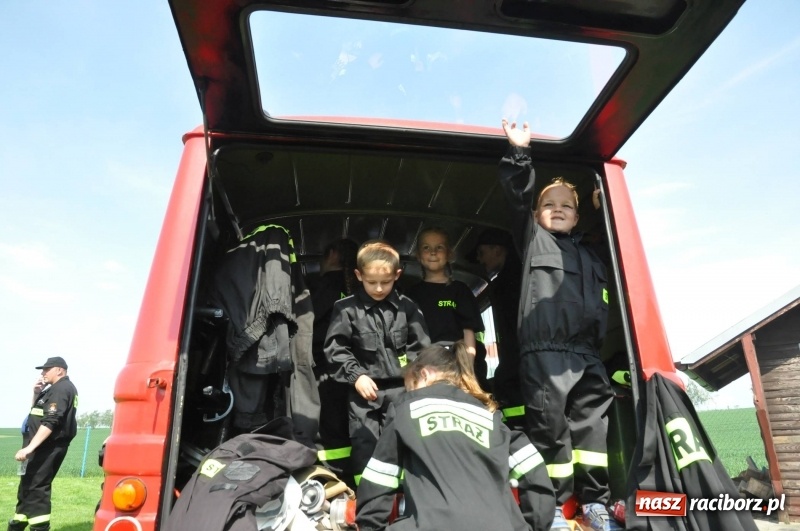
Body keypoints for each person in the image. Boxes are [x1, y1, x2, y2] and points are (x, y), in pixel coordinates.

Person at [498, 118, 619, 531]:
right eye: (549, 204)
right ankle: (551, 508)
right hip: (546, 354)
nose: (558, 209)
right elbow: (517, 199)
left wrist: (607, 208)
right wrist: (520, 154)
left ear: (578, 214)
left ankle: (596, 505)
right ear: (538, 214)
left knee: (592, 436)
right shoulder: (534, 241)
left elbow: (616, 237)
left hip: (588, 356)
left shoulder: (593, 253)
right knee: (550, 433)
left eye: (567, 204)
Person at [356, 342, 556, 531]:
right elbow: (534, 471)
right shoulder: (491, 418)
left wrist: (369, 527)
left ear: (424, 374)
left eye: (410, 387)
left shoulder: (406, 410)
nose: (409, 393)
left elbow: (380, 477)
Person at [324, 240, 431, 486]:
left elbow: (422, 348)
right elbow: (335, 349)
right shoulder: (345, 309)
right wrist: (356, 376)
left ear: (398, 275)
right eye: (372, 282)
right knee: (365, 446)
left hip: (402, 391)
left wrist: (414, 378)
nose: (379, 288)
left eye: (386, 282)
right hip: (363, 393)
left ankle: (406, 498)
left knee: (405, 442)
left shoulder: (408, 308)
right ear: (359, 275)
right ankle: (368, 500)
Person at [308, 237, 360, 485]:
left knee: (329, 427)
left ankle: (331, 478)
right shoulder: (358, 290)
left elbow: (307, 325)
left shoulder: (324, 286)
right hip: (355, 370)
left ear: (331, 256)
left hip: (324, 369)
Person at [9, 356, 79, 531]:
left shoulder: (62, 389)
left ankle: (39, 527)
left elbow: (51, 421)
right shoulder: (51, 389)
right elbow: (36, 413)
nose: (43, 373)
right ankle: (18, 523)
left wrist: (30, 447)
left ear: (60, 370)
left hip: (48, 447)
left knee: (37, 487)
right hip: (40, 446)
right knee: (28, 485)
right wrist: (36, 392)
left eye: (47, 369)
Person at [471, 227, 526, 428]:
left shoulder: (511, 282)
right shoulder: (510, 279)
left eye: (482, 253)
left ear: (498, 250)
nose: (480, 260)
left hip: (518, 361)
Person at [404, 226, 484, 354]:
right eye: (426, 247)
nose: (433, 252)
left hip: (454, 360)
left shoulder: (460, 290)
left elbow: (468, 333)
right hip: (422, 362)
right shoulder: (411, 294)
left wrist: (467, 367)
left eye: (439, 247)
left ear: (449, 254)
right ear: (418, 255)